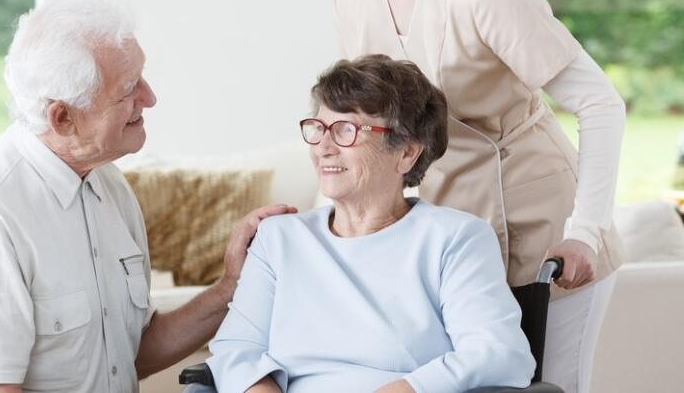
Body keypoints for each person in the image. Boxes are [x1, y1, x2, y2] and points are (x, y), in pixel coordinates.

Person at [309, 0, 626, 391]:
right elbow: (359, 125)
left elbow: (600, 104)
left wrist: (586, 233)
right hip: (445, 238)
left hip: (543, 234)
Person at [0, 0, 296, 392]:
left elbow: (132, 354)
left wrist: (231, 286)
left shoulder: (105, 182)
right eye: (129, 88)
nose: (149, 98)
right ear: (62, 117)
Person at [200, 55, 534, 393]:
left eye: (346, 130)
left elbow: (498, 354)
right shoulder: (278, 237)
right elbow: (237, 350)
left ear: (407, 153)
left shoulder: (456, 239)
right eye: (318, 129)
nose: (324, 148)